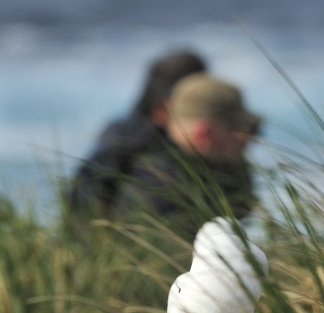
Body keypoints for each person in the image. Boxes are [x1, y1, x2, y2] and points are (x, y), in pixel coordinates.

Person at [112, 73, 261, 240]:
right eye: (235, 130)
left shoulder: (227, 165)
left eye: (251, 130)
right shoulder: (155, 182)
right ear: (203, 134)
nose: (246, 140)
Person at [69, 49, 207, 217]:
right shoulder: (127, 140)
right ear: (163, 106)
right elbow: (87, 191)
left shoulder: (121, 130)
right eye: (196, 101)